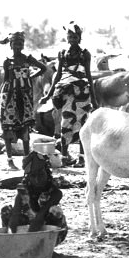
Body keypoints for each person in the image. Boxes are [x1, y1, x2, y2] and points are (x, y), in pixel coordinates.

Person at [0, 31, 48, 170]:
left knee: (25, 128)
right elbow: (5, 81)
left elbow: (43, 68)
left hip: (25, 97)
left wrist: (30, 77)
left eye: (20, 43)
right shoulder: (7, 61)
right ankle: (9, 161)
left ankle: (26, 160)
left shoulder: (28, 59)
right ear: (10, 45)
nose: (18, 46)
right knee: (8, 127)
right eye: (15, 43)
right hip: (9, 97)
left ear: (23, 44)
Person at [40, 21, 98, 167]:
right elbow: (58, 74)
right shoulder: (62, 53)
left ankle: (81, 157)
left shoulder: (85, 54)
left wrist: (94, 99)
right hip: (65, 92)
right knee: (66, 123)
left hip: (82, 93)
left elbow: (89, 76)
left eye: (74, 37)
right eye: (69, 37)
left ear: (79, 38)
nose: (71, 39)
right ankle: (65, 156)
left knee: (83, 124)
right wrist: (49, 95)